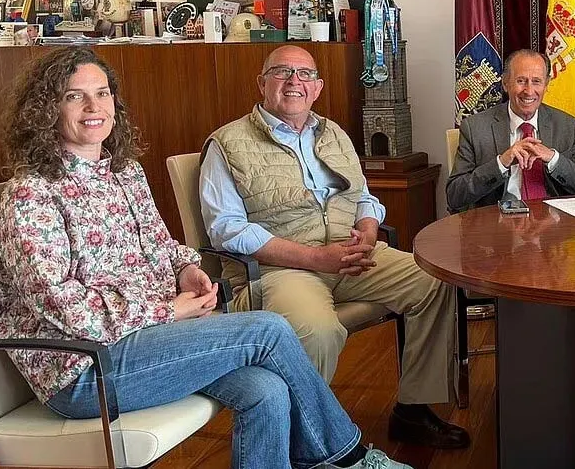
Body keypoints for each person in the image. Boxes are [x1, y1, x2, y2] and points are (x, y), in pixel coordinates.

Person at [0, 47, 410, 469]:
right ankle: (348, 456)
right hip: (83, 370)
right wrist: (168, 309)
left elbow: (162, 245)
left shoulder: (124, 172)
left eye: (102, 93)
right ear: (46, 109)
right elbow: (65, 309)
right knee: (268, 329)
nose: (93, 106)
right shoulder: (30, 195)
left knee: (267, 389)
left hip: (150, 339)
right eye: (73, 96)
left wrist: (187, 270)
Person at [199, 45, 468, 450]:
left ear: (318, 87)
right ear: (261, 83)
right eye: (282, 72)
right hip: (280, 269)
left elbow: (362, 196)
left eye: (305, 74)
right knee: (317, 329)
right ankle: (307, 443)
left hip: (349, 255)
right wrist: (313, 257)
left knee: (435, 281)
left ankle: (414, 410)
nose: (294, 82)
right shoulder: (227, 143)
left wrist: (368, 229)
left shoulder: (334, 133)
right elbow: (226, 230)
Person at [446, 48, 575, 212]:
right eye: (521, 81)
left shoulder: (566, 125)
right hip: (497, 226)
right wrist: (501, 163)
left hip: (553, 226)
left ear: (546, 85)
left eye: (537, 81)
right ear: (505, 83)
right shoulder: (475, 127)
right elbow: (454, 196)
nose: (529, 91)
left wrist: (554, 159)